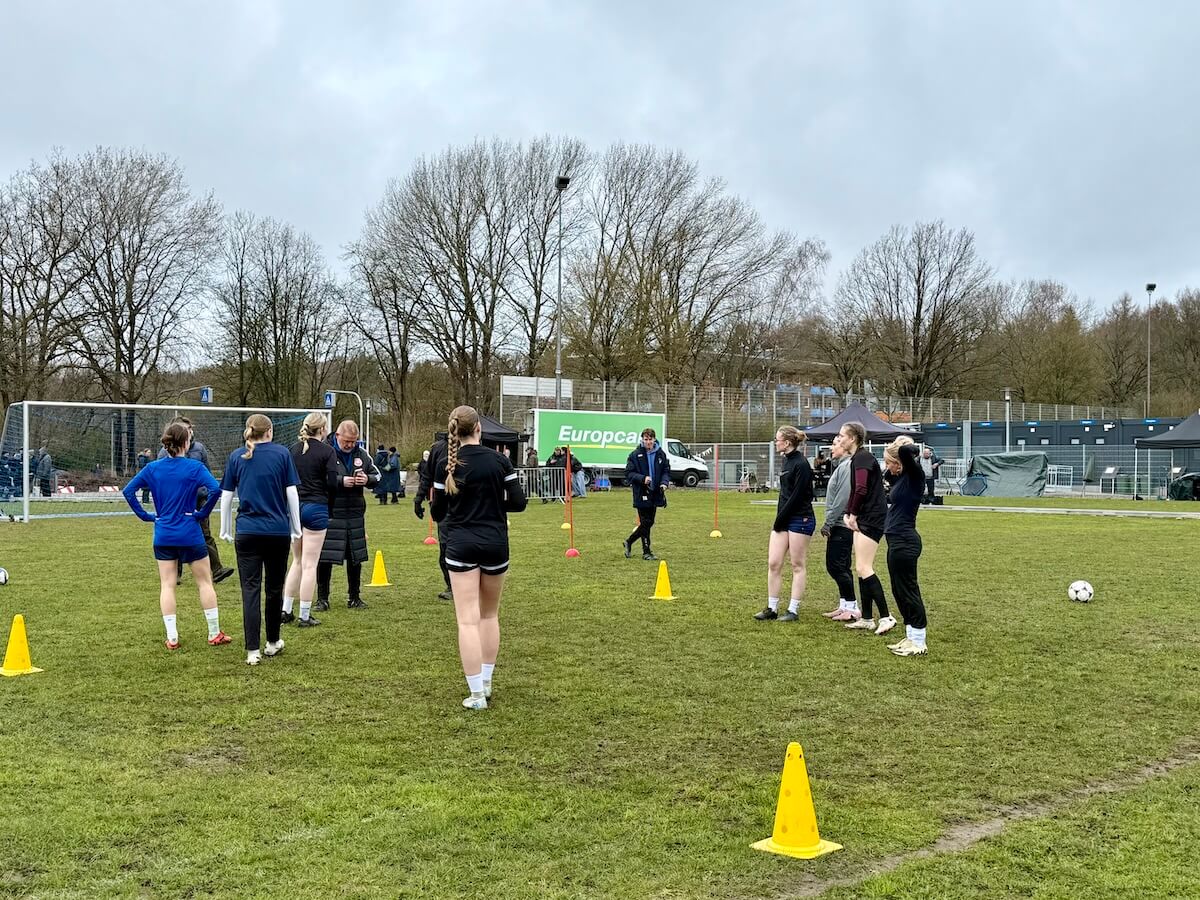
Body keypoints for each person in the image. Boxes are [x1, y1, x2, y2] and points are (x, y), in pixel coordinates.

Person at [430, 405, 528, 710]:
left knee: (467, 620)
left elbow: (437, 512)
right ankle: (485, 683)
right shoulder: (499, 461)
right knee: (489, 615)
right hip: (495, 544)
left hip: (460, 544)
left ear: (454, 431)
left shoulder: (446, 464)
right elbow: (519, 503)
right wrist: (494, 506)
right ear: (479, 430)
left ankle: (476, 694)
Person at [122, 422, 231, 650]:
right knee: (204, 582)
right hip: (190, 533)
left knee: (167, 585)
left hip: (164, 534)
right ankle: (213, 633)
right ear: (186, 442)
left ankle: (172, 637)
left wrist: (146, 516)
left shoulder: (153, 468)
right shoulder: (194, 467)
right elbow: (216, 489)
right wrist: (202, 513)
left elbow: (128, 491)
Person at [219, 414, 302, 666]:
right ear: (270, 431)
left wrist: (225, 527)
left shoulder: (236, 457)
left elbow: (225, 496)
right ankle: (273, 642)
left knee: (250, 590)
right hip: (277, 532)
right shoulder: (282, 454)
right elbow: (292, 494)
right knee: (274, 589)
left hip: (247, 532)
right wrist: (296, 527)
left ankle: (252, 650)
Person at [158, 417, 236, 585]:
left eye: (189, 428)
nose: (189, 431)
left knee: (205, 534)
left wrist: (206, 494)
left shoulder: (199, 449)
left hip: (199, 499)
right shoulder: (164, 452)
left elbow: (207, 473)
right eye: (185, 428)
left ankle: (216, 570)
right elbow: (160, 477)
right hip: (177, 502)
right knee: (175, 535)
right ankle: (175, 573)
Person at [839, 421, 897, 636]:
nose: (839, 439)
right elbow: (856, 490)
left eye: (842, 435)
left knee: (864, 568)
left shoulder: (862, 458)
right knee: (861, 568)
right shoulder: (858, 458)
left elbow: (861, 489)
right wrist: (848, 512)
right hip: (866, 516)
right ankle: (866, 618)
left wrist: (852, 515)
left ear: (852, 438)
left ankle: (886, 616)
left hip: (871, 518)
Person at [282, 413, 338, 628]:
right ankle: (304, 615)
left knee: (296, 561)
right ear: (322, 429)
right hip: (316, 507)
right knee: (310, 564)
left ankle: (286, 609)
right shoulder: (328, 451)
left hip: (295, 508)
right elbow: (332, 483)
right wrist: (329, 507)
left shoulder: (292, 451)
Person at [317, 420, 379, 611]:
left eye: (354, 442)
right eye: (347, 441)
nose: (350, 445)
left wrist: (367, 479)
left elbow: (377, 476)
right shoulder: (325, 451)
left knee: (355, 557)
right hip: (331, 511)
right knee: (325, 558)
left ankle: (354, 597)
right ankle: (322, 599)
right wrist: (340, 481)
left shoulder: (362, 454)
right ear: (337, 436)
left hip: (354, 512)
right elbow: (318, 478)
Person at [754, 426, 815, 622]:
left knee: (797, 564)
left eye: (778, 439)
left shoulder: (802, 464)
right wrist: (779, 520)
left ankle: (793, 609)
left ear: (787, 443)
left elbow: (798, 496)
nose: (776, 442)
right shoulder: (785, 460)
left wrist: (780, 518)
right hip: (783, 518)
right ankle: (771, 608)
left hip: (800, 519)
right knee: (773, 563)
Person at [883, 438, 930, 656]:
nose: (888, 467)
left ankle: (919, 642)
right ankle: (910, 635)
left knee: (909, 590)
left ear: (899, 462)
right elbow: (886, 475)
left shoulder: (915, 475)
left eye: (890, 463)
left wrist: (902, 447)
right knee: (898, 590)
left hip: (905, 540)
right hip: (895, 539)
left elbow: (906, 450)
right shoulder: (900, 479)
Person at [822, 432, 860, 621]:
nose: (831, 447)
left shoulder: (846, 467)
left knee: (837, 565)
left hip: (841, 524)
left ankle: (852, 607)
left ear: (845, 446)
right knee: (839, 565)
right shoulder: (842, 467)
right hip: (838, 522)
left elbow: (843, 498)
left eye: (835, 444)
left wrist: (829, 521)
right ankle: (845, 605)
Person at [622, 428, 670, 561]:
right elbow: (629, 474)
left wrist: (664, 483)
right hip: (641, 492)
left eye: (650, 439)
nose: (648, 442)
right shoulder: (635, 455)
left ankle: (629, 542)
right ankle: (646, 551)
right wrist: (643, 478)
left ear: (654, 439)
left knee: (649, 522)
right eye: (646, 439)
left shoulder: (661, 454)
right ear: (642, 440)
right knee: (646, 522)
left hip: (655, 493)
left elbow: (666, 470)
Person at [416, 435, 454, 601]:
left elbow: (426, 477)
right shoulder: (438, 449)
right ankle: (452, 585)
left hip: (453, 507)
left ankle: (459, 585)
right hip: (447, 507)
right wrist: (418, 498)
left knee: (450, 547)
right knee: (446, 547)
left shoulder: (473, 448)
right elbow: (427, 476)